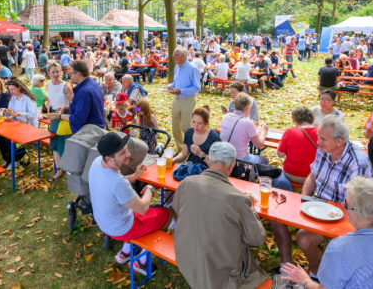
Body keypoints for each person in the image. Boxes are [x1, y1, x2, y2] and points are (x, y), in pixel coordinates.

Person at [281, 176, 373, 289]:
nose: (343, 205)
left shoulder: (340, 248)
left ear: (369, 218)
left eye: (348, 205)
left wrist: (305, 280)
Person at [273, 116, 373, 271]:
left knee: (304, 239)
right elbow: (313, 175)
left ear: (339, 141)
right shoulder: (324, 148)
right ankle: (285, 267)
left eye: (322, 138)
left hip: (345, 216)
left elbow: (358, 206)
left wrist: (327, 214)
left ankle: (318, 275)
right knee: (276, 214)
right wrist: (304, 198)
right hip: (318, 205)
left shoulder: (358, 163)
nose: (318, 142)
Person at [175, 142, 268, 289]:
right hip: (217, 272)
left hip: (186, 256)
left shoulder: (186, 183)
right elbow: (257, 238)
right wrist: (250, 206)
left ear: (209, 161)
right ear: (232, 164)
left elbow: (177, 211)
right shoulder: (238, 198)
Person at [88, 132, 171, 275]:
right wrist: (150, 190)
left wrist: (135, 176)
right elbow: (143, 208)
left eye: (126, 149)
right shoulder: (117, 182)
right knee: (165, 214)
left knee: (144, 211)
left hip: (104, 223)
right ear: (109, 158)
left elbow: (114, 185)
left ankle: (126, 252)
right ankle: (141, 262)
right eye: (122, 153)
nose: (128, 154)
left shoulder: (97, 163)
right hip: (122, 229)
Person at [49, 60, 105, 135]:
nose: (69, 77)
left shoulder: (83, 92)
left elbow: (78, 119)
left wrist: (59, 116)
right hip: (95, 129)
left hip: (88, 133)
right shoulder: (93, 84)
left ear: (77, 74)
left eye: (70, 74)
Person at [0, 78, 38, 170]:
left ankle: (14, 161)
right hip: (16, 125)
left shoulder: (27, 99)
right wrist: (5, 111)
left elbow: (32, 115)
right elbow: (11, 111)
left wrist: (20, 114)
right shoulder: (13, 98)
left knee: (8, 139)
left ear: (19, 87)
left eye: (13, 89)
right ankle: (8, 159)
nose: (11, 92)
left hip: (29, 126)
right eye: (10, 90)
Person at [273, 106, 319, 190]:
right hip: (312, 175)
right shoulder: (321, 132)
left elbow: (280, 154)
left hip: (291, 173)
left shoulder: (290, 131)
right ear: (312, 119)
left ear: (295, 120)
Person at [220, 93, 268, 164]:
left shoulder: (225, 117)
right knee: (264, 160)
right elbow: (259, 145)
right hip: (240, 160)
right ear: (247, 108)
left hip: (224, 157)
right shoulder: (247, 123)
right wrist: (264, 130)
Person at [168, 48, 202, 148]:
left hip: (188, 100)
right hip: (177, 99)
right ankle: (179, 149)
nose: (173, 57)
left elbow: (197, 87)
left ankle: (190, 149)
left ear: (183, 56)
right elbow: (175, 83)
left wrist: (181, 91)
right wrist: (169, 86)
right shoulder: (176, 67)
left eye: (175, 55)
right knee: (175, 128)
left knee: (186, 127)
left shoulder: (192, 68)